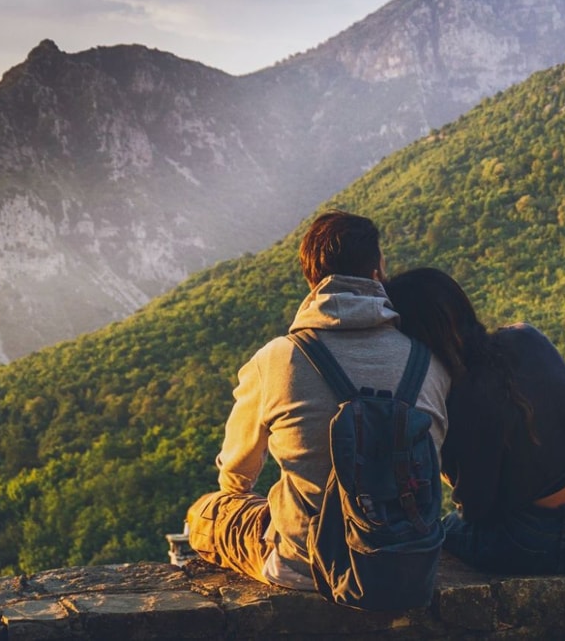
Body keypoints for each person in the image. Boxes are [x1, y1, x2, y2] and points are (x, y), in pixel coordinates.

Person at [184, 211, 451, 589]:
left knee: (206, 512)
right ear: (377, 272)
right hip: (406, 560)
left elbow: (236, 473)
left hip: (305, 563)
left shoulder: (278, 358)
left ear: (311, 280)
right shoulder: (429, 362)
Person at [384, 267, 565, 575]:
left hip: (535, 542)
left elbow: (476, 510)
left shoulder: (463, 396)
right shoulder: (526, 337)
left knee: (439, 531)